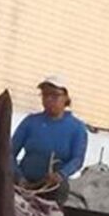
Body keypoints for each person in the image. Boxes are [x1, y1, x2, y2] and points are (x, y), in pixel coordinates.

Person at [12, 75, 88, 205]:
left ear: (66, 98)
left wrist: (61, 174)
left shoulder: (77, 128)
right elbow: (9, 151)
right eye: (45, 95)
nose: (48, 99)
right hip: (24, 184)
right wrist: (18, 176)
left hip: (53, 188)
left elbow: (77, 159)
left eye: (54, 95)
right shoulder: (31, 122)